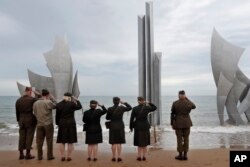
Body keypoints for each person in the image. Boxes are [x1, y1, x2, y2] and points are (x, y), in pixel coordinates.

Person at [55, 92, 82, 162]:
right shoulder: (72, 104)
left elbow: (57, 116)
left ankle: (62, 156)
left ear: (63, 96)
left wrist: (58, 123)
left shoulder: (59, 104)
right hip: (71, 123)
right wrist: (77, 100)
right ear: (70, 97)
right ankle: (69, 156)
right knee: (70, 141)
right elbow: (79, 106)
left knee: (62, 141)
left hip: (62, 123)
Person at [129, 97, 157, 161]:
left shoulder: (135, 108)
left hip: (138, 126)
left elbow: (132, 119)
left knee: (139, 143)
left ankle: (139, 156)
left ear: (138, 101)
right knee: (145, 142)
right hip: (145, 126)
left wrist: (131, 127)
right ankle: (144, 156)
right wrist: (149, 103)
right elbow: (155, 107)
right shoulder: (147, 108)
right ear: (143, 101)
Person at [171, 90, 196, 161]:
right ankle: (185, 155)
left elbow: (172, 113)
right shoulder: (188, 103)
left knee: (179, 139)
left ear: (179, 95)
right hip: (187, 122)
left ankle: (180, 155)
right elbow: (194, 106)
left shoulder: (175, 103)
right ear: (184, 95)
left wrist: (172, 123)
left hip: (178, 123)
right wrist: (187, 99)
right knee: (186, 138)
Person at [15, 87, 39, 160]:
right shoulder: (32, 99)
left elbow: (17, 112)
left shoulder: (18, 100)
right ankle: (28, 154)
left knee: (21, 137)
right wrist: (37, 94)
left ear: (24, 91)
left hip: (21, 120)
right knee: (29, 136)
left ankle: (21, 154)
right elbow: (41, 100)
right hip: (30, 119)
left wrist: (18, 120)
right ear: (30, 92)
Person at [33, 89, 57, 160]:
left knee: (39, 141)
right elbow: (56, 106)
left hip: (39, 124)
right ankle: (49, 156)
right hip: (48, 123)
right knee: (49, 140)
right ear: (48, 94)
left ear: (42, 94)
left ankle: (39, 156)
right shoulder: (48, 102)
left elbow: (34, 113)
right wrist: (52, 98)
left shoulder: (35, 103)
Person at [106, 97, 132, 162]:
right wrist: (124, 103)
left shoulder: (109, 108)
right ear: (119, 101)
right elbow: (130, 108)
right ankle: (119, 156)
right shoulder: (122, 108)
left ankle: (114, 157)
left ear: (113, 101)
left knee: (113, 142)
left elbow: (107, 118)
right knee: (119, 142)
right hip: (120, 125)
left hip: (112, 126)